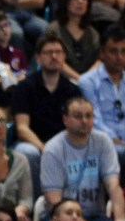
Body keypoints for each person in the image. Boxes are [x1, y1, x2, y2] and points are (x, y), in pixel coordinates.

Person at [41, 96, 125, 221]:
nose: (84, 121)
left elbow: (114, 186)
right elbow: (54, 201)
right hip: (61, 217)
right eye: (78, 116)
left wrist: (120, 220)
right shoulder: (53, 149)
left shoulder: (103, 142)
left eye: (89, 116)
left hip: (96, 216)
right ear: (65, 119)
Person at [11, 33, 83, 196]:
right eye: (48, 52)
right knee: (28, 153)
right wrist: (46, 149)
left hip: (63, 143)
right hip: (33, 142)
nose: (54, 56)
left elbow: (76, 127)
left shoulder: (73, 90)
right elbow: (22, 128)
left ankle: (73, 200)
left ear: (64, 57)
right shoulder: (24, 87)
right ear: (38, 58)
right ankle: (35, 201)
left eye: (58, 52)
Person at [78, 25, 125, 178]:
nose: (119, 57)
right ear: (102, 53)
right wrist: (124, 145)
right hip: (99, 142)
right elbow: (94, 123)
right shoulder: (87, 82)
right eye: (113, 52)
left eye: (124, 52)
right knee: (122, 153)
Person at [46, 0, 101, 82]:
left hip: (89, 81)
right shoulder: (53, 30)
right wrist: (79, 79)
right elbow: (54, 59)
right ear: (66, 2)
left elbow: (99, 60)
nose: (80, 1)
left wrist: (86, 79)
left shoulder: (93, 33)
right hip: (60, 80)